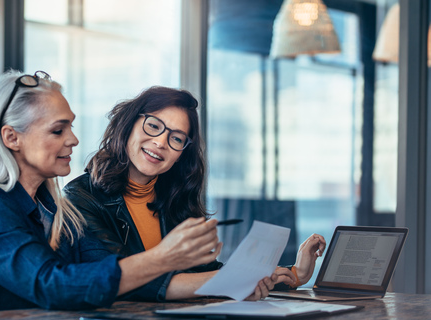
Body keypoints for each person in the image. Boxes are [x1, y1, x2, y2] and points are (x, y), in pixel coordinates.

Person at [0, 71, 275, 315]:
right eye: (58, 129)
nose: (73, 140)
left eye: (71, 126)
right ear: (11, 138)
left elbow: (92, 280)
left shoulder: (50, 207)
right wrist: (164, 258)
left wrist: (266, 277)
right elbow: (54, 287)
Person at [63, 86, 327, 298]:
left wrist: (294, 274)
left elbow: (205, 273)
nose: (160, 142)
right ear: (129, 124)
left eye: (176, 138)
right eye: (153, 126)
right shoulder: (80, 198)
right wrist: (234, 281)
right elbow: (124, 280)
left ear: (181, 154)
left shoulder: (175, 199)